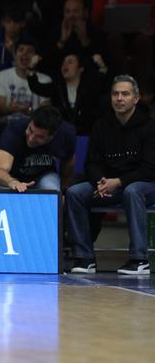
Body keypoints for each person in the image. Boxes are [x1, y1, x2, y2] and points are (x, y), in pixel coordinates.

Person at [67, 76, 155, 275]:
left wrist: (119, 182)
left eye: (125, 94)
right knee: (74, 193)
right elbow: (91, 163)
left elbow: (150, 168)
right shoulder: (101, 126)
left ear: (136, 98)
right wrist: (101, 182)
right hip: (109, 184)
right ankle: (84, 257)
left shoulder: (150, 127)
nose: (119, 98)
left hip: (145, 185)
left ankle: (139, 260)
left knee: (132, 192)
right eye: (115, 94)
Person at [0, 107, 74, 192]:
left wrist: (63, 190)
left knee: (52, 192)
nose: (31, 138)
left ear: (52, 136)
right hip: (10, 176)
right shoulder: (14, 129)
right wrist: (12, 182)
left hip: (44, 175)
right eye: (30, 130)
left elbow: (69, 161)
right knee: (9, 193)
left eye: (40, 137)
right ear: (30, 121)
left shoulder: (66, 134)